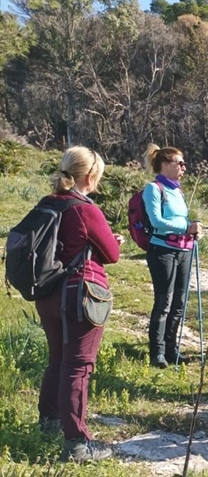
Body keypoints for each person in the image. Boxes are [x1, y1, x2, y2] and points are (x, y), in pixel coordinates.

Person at [36, 146, 122, 462]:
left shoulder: (47, 204)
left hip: (47, 294)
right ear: (91, 176)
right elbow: (111, 253)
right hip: (80, 294)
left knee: (58, 359)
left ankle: (49, 422)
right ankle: (76, 444)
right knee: (79, 366)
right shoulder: (85, 209)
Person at [143, 144, 202, 369]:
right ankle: (156, 353)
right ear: (165, 164)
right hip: (162, 251)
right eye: (180, 163)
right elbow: (156, 221)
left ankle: (171, 349)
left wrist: (192, 228)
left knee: (179, 302)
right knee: (163, 302)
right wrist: (185, 229)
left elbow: (181, 221)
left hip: (184, 250)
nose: (184, 167)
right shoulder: (153, 189)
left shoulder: (177, 190)